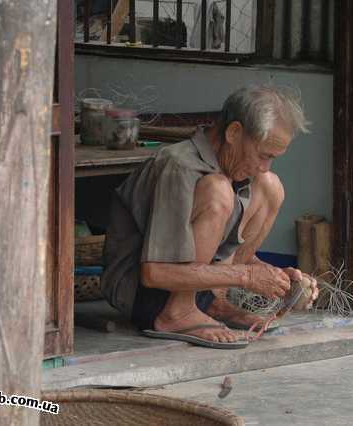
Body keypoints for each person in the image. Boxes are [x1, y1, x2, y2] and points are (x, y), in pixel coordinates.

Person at [101, 85, 319, 349]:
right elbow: (153, 273)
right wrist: (248, 277)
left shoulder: (237, 170)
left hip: (193, 284)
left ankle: (214, 302)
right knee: (218, 189)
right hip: (141, 294)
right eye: (263, 155)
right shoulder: (180, 165)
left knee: (270, 185)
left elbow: (235, 258)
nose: (263, 166)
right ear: (234, 133)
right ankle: (178, 312)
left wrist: (277, 278)